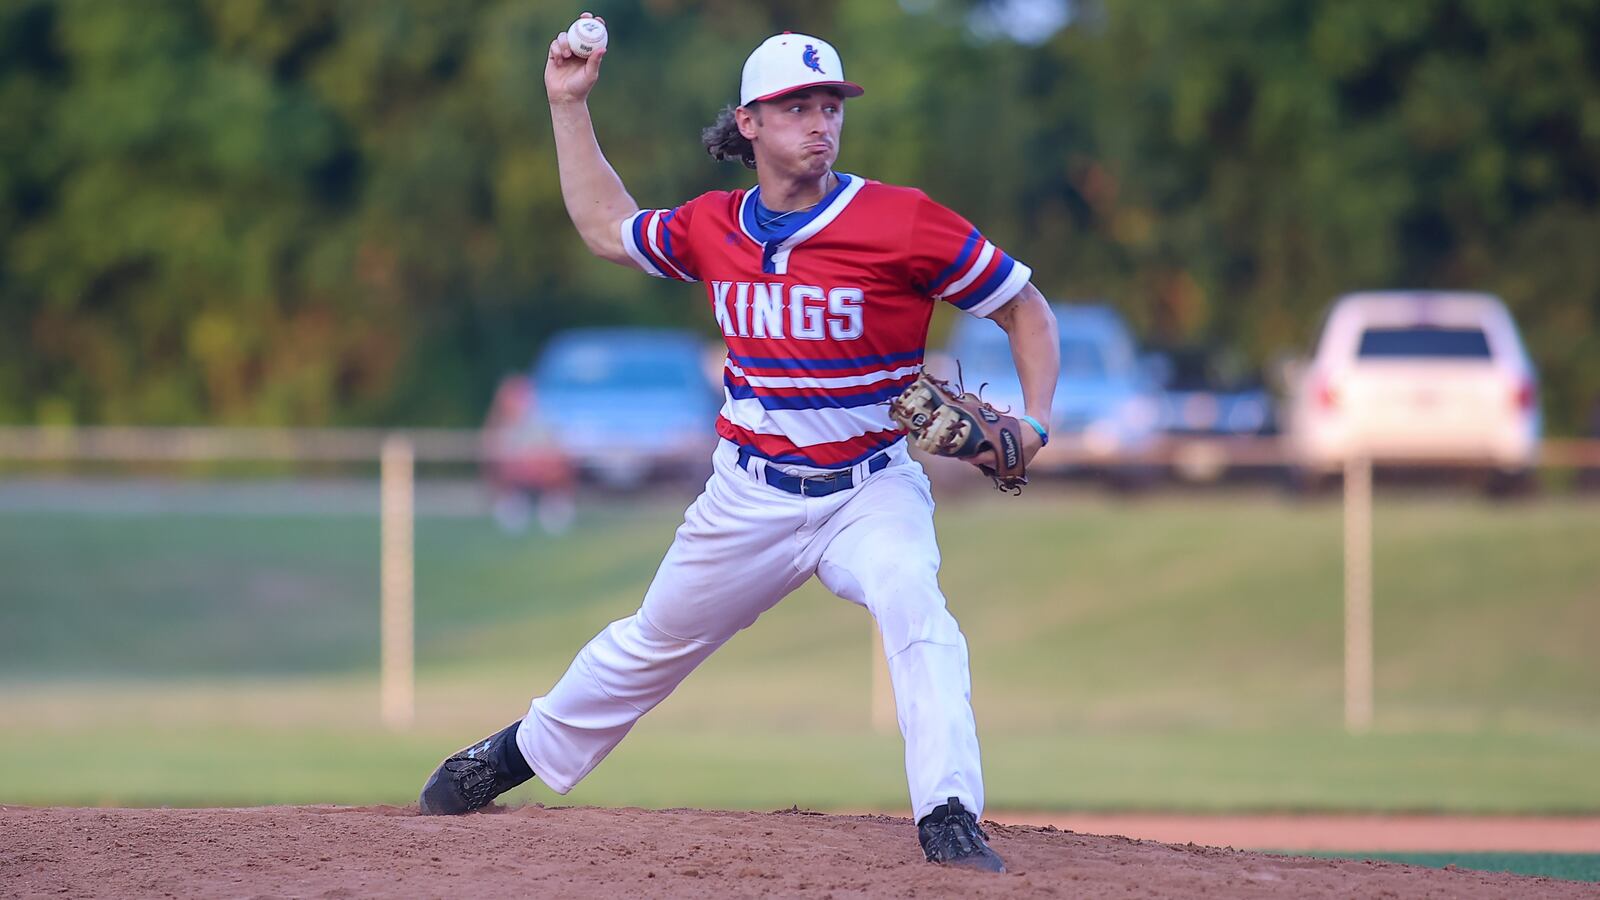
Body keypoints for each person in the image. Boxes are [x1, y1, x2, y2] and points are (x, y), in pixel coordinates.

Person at [419, 17, 1061, 874]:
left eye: (830, 103)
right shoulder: (713, 228)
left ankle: (948, 813)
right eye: (797, 106)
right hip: (747, 495)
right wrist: (568, 108)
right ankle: (513, 755)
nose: (821, 121)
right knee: (649, 643)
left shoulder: (901, 222)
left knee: (918, 605)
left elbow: (1025, 306)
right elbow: (609, 227)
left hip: (869, 489)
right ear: (750, 123)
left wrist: (1036, 420)